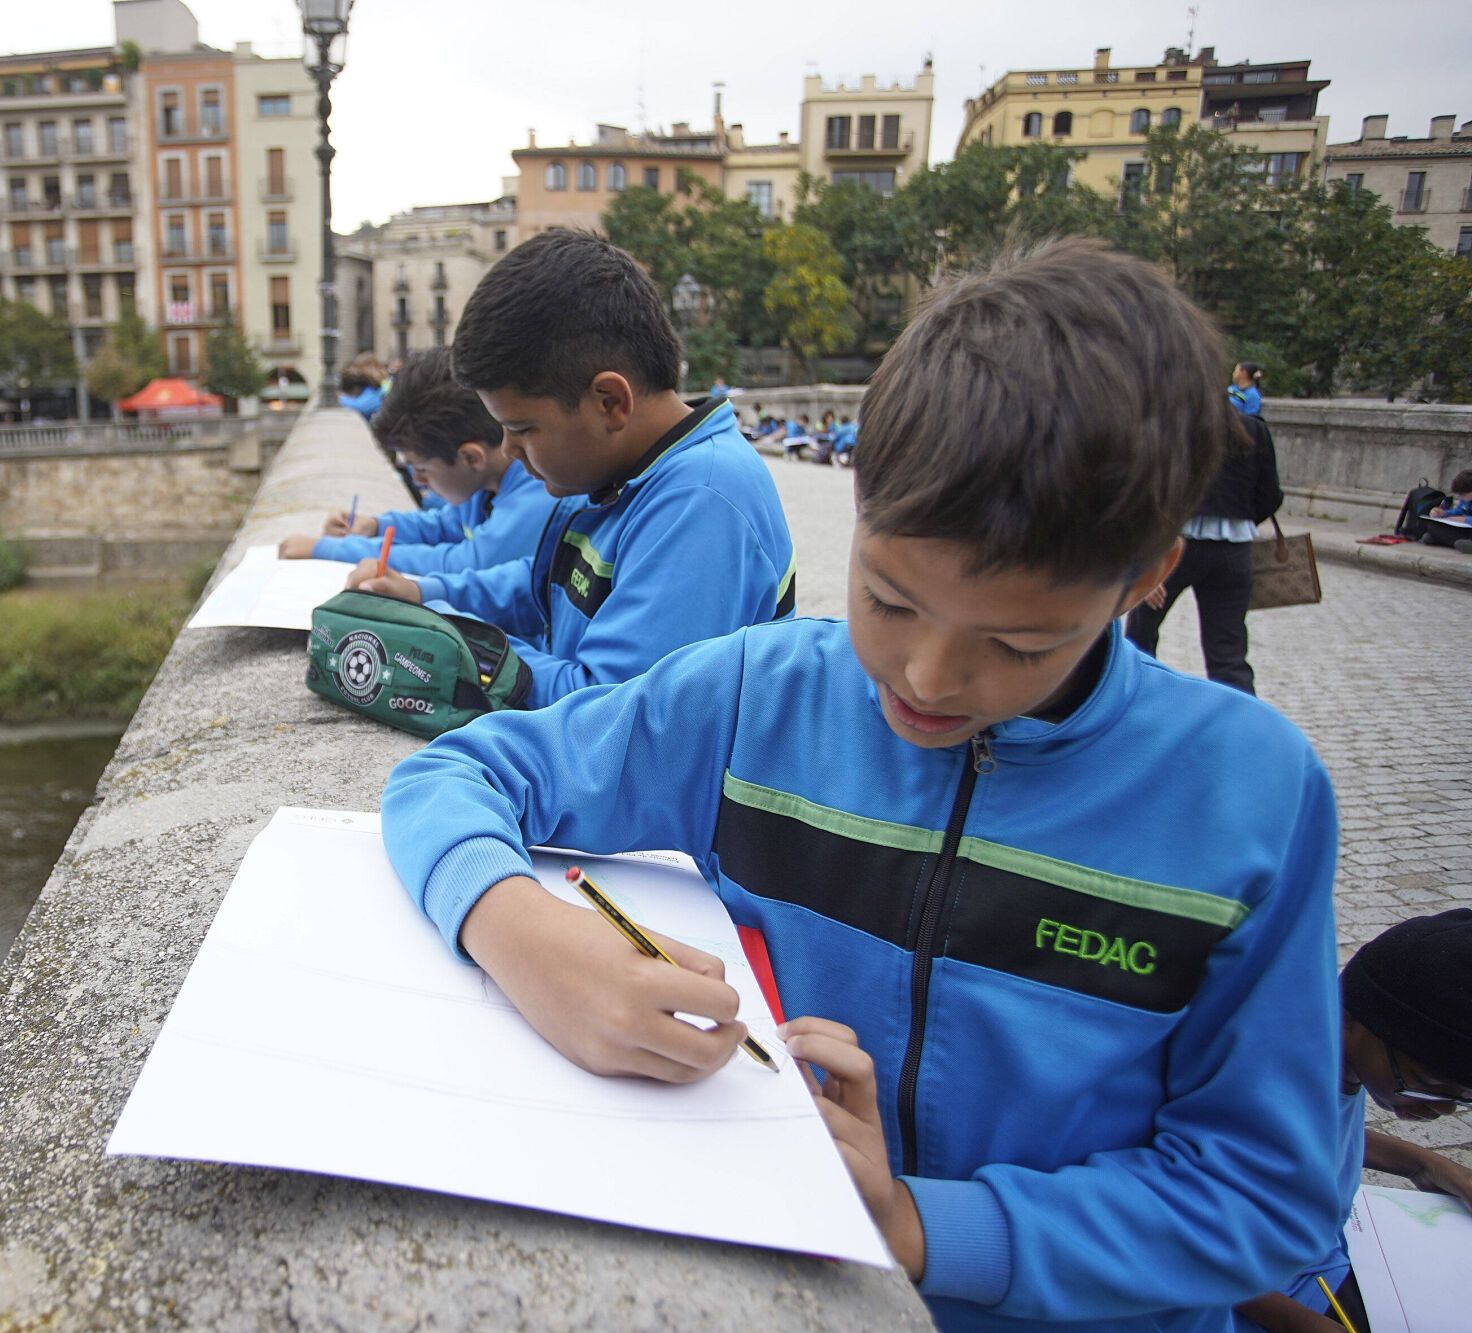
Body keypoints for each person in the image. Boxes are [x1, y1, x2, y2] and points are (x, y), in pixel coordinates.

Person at [381, 238, 1346, 1331]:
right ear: (857, 500)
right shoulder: (756, 695)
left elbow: (1265, 1189)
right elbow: (457, 773)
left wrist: (925, 1227)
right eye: (889, 599)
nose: (925, 679)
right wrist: (520, 934)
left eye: (1019, 643)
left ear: (1146, 578)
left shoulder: (1251, 797)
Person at [351, 229, 794, 708]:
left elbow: (610, 710)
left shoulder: (701, 502)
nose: (509, 450)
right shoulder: (611, 470)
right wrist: (423, 592)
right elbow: (544, 585)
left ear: (609, 403)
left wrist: (447, 634)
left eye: (522, 429)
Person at [1242, 909, 1472, 1331]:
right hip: (1251, 1299)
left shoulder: (1337, 1052)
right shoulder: (1260, 1081)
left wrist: (1425, 1164)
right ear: (1354, 1021)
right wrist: (1303, 1324)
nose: (1441, 1109)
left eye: (1462, 1098)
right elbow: (1176, 1237)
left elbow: (1317, 1137)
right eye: (1426, 1084)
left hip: (1317, 1266)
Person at [278, 348, 561, 577]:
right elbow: (445, 526)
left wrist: (327, 551)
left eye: (422, 468)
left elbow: (465, 564)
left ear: (471, 457)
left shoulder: (536, 496)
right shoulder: (486, 483)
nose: (417, 480)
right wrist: (375, 526)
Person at [1124, 399, 1284, 694]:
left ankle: (1138, 708)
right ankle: (1237, 721)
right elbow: (1270, 496)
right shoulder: (1252, 429)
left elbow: (1143, 494)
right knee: (1228, 655)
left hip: (1172, 547)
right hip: (1233, 552)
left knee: (1140, 639)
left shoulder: (1169, 425)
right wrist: (1237, 516)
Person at [1417, 468, 1472, 552]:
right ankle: (1444, 539)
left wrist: (1465, 519)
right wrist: (1443, 513)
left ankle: (1441, 539)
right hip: (1464, 529)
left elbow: (1464, 518)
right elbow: (1459, 511)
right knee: (1432, 525)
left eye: (1463, 494)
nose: (1460, 497)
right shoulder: (1466, 500)